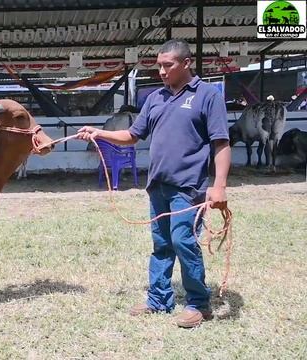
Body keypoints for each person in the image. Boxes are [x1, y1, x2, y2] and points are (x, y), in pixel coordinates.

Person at [77, 39, 231, 328]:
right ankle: (159, 298)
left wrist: (219, 185)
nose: (161, 71)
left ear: (186, 63)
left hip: (188, 185)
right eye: (158, 65)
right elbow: (133, 135)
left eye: (167, 65)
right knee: (161, 244)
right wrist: (99, 132)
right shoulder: (156, 98)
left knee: (183, 240)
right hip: (157, 184)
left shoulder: (207, 95)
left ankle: (199, 303)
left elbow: (221, 143)